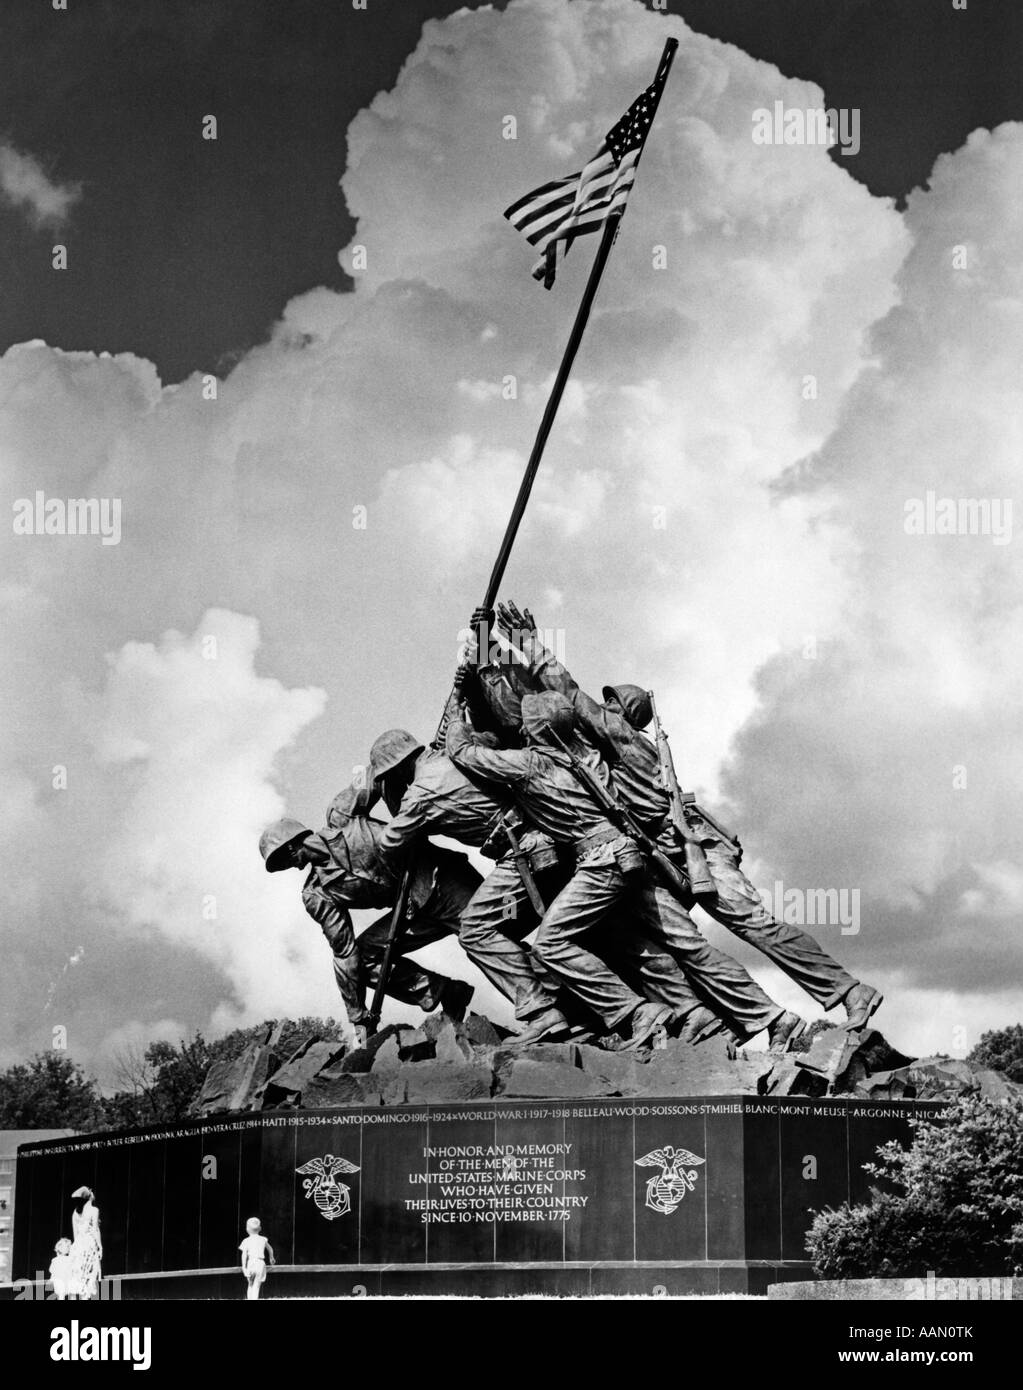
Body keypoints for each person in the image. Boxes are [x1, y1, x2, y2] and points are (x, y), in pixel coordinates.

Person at [498, 601, 883, 1033]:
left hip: (693, 844)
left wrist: (533, 647)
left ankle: (850, 991)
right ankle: (758, 1021)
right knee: (680, 942)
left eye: (611, 706)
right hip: (658, 854)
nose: (602, 712)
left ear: (624, 716)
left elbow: (570, 697)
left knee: (755, 925)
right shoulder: (598, 754)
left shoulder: (624, 742)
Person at [447, 680, 675, 1048]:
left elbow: (462, 752)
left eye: (525, 722)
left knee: (550, 943)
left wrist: (457, 709)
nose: (519, 726)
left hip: (602, 862)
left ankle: (637, 1013)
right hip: (616, 857)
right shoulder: (584, 756)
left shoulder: (529, 765)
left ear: (534, 729)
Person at [259, 782, 477, 1044]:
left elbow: (379, 775)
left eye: (282, 860)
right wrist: (358, 1017)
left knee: (493, 934)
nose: (290, 867)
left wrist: (405, 808)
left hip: (440, 879)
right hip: (412, 913)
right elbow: (345, 952)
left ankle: (537, 1002)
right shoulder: (316, 895)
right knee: (363, 958)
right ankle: (443, 992)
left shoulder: (342, 813)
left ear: (291, 846)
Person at [68, 1186, 102, 1300]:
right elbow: (95, 1230)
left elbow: (75, 1234)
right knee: (90, 1276)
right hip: (89, 1246)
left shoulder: (75, 1213)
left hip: (78, 1247)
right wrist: (100, 1246)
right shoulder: (94, 1210)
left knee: (79, 1277)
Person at [239, 1217, 274, 1301]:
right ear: (260, 1228)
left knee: (250, 1285)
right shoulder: (263, 1239)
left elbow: (244, 1255)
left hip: (251, 1263)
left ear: (247, 1229)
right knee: (256, 1286)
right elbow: (270, 1249)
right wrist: (271, 1257)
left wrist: (244, 1267)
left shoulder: (246, 1241)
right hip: (260, 1264)